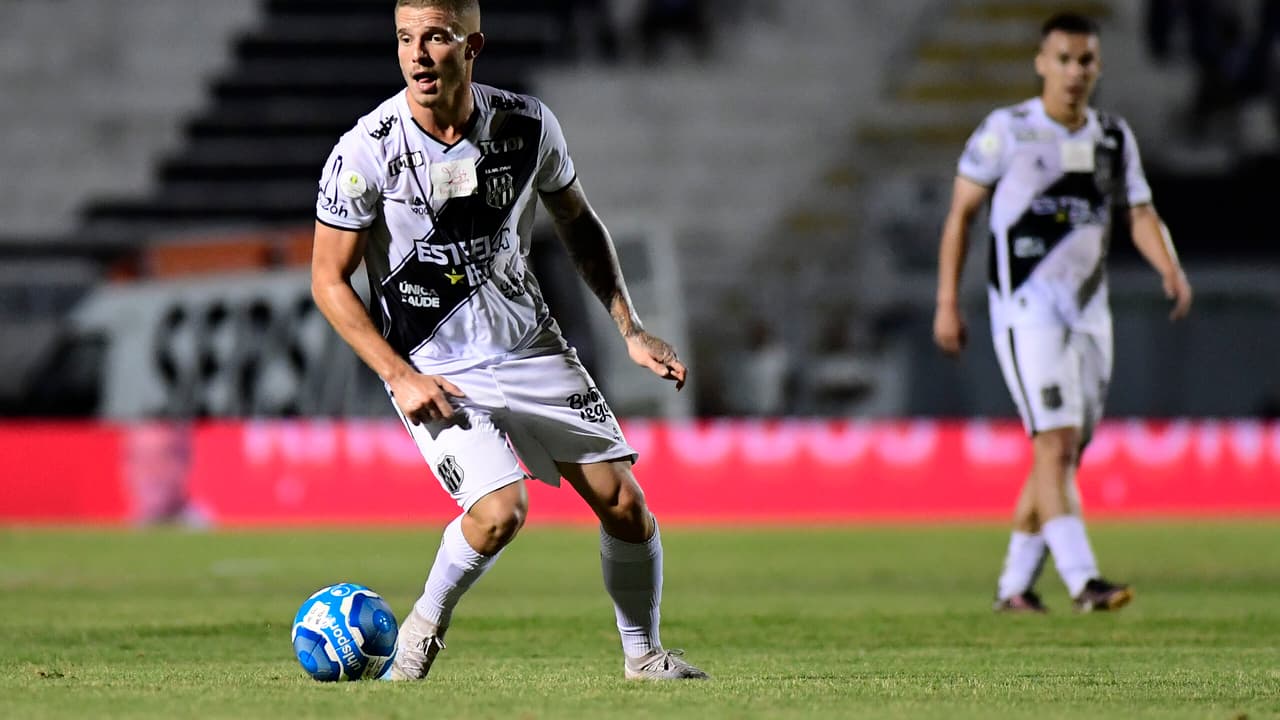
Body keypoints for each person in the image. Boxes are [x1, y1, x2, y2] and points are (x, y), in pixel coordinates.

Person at [310, 0, 708, 681]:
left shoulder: (526, 126)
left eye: (436, 38)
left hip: (530, 347)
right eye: (406, 38)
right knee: (500, 513)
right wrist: (400, 375)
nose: (418, 54)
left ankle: (642, 657)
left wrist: (630, 327)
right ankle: (418, 638)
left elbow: (578, 223)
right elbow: (328, 280)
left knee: (625, 506)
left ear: (473, 46)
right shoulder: (366, 150)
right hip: (438, 364)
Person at [932, 12, 1193, 614]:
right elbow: (961, 215)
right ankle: (1083, 581)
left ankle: (1014, 587)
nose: (1075, 72)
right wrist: (948, 301)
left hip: (1088, 313)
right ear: (1041, 63)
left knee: (1063, 450)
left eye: (1086, 61)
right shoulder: (1007, 131)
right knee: (1054, 441)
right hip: (1026, 310)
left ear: (1098, 66)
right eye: (1064, 59)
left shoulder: (1111, 137)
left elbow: (1140, 211)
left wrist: (1169, 267)